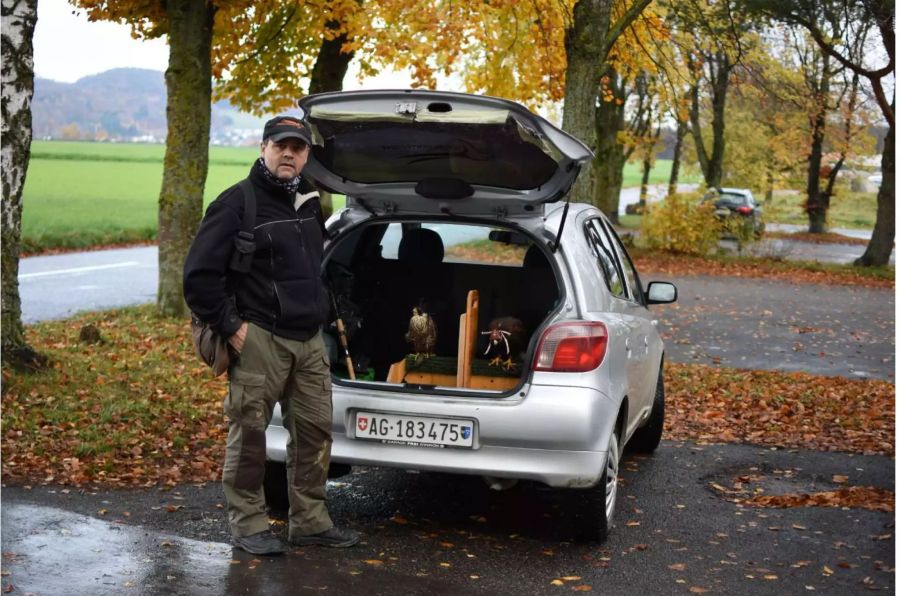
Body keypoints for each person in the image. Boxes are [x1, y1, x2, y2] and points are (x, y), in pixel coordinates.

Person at [183, 116, 360, 555]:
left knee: (316, 434)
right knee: (249, 436)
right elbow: (198, 279)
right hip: (259, 337)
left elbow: (315, 272)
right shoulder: (236, 204)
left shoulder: (308, 204)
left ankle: (311, 522)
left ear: (305, 157)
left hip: (309, 342)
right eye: (281, 145)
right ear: (263, 147)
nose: (289, 154)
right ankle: (249, 526)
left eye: (297, 149)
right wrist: (232, 328)